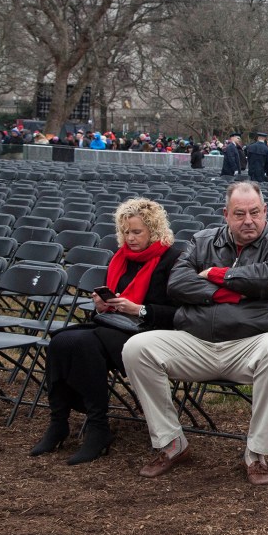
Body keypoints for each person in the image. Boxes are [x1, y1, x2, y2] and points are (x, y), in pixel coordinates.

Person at [122, 181, 268, 485]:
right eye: (239, 213)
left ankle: (256, 453)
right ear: (226, 214)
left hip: (250, 344)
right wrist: (231, 293)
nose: (248, 220)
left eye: (255, 213)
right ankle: (172, 443)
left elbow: (267, 278)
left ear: (265, 211)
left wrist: (219, 275)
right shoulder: (202, 240)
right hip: (197, 341)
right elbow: (177, 283)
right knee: (137, 347)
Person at [30, 198, 182, 464]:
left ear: (154, 231)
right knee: (61, 341)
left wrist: (138, 309)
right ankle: (58, 422)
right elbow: (110, 301)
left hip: (150, 332)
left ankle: (98, 428)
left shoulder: (173, 259)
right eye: (125, 232)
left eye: (137, 232)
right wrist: (102, 305)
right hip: (113, 325)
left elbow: (179, 313)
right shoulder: (120, 258)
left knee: (84, 344)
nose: (130, 238)